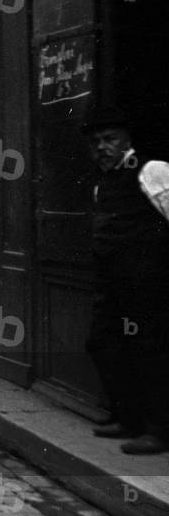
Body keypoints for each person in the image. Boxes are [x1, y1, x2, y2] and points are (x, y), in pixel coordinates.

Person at [83, 106, 169, 455]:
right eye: (96, 142)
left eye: (110, 139)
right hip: (114, 285)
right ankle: (128, 418)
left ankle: (159, 430)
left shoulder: (152, 171)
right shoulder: (103, 181)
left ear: (127, 140)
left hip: (150, 284)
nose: (103, 147)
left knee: (151, 353)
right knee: (103, 343)